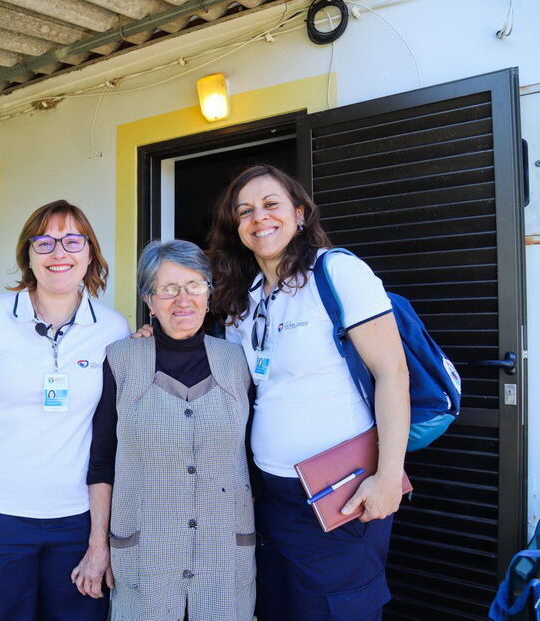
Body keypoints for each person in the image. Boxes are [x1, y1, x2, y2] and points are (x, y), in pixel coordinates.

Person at [209, 164, 410, 620]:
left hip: (341, 491)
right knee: (282, 608)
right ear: (237, 229)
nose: (258, 217)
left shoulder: (336, 271)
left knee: (339, 610)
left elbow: (393, 372)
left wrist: (389, 477)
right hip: (272, 495)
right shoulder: (248, 297)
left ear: (299, 213)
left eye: (271, 204)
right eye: (245, 212)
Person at [0, 200, 129, 620]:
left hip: (77, 520)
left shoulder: (113, 330)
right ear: (28, 255)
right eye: (44, 242)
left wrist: (99, 541)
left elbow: (111, 440)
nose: (58, 253)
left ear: (90, 254)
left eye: (72, 241)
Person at [88, 239, 256, 621]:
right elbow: (101, 463)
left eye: (195, 285)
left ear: (209, 293)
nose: (183, 299)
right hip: (145, 557)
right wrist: (98, 544)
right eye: (168, 289)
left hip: (224, 555)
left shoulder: (237, 361)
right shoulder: (120, 360)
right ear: (149, 300)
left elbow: (253, 456)